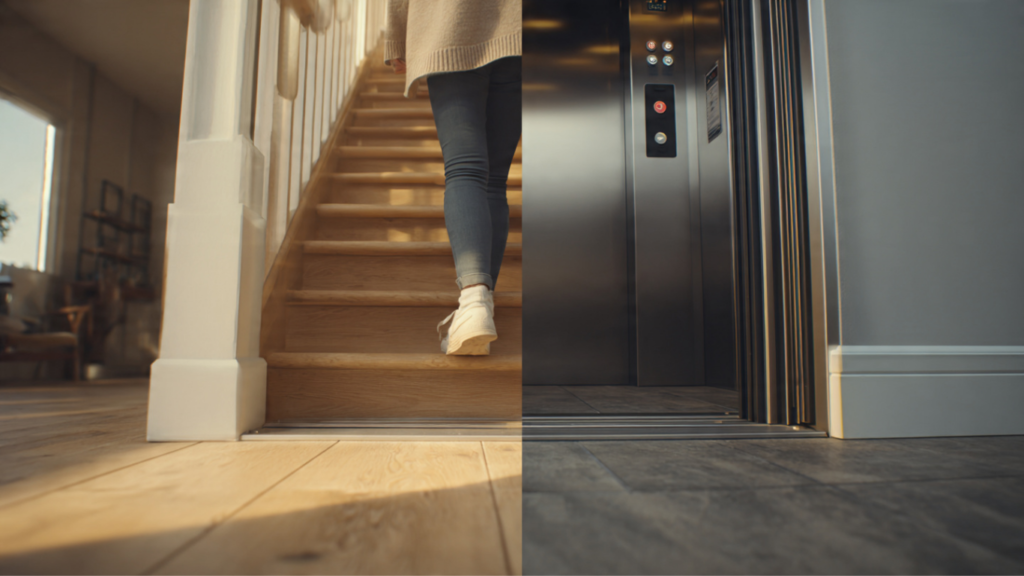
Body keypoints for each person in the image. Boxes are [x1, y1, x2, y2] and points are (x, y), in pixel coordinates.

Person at [385, 0, 522, 356]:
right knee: (494, 179)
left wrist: (397, 38)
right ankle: (481, 305)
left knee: (465, 169)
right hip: (518, 27)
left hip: (451, 21)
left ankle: (474, 301)